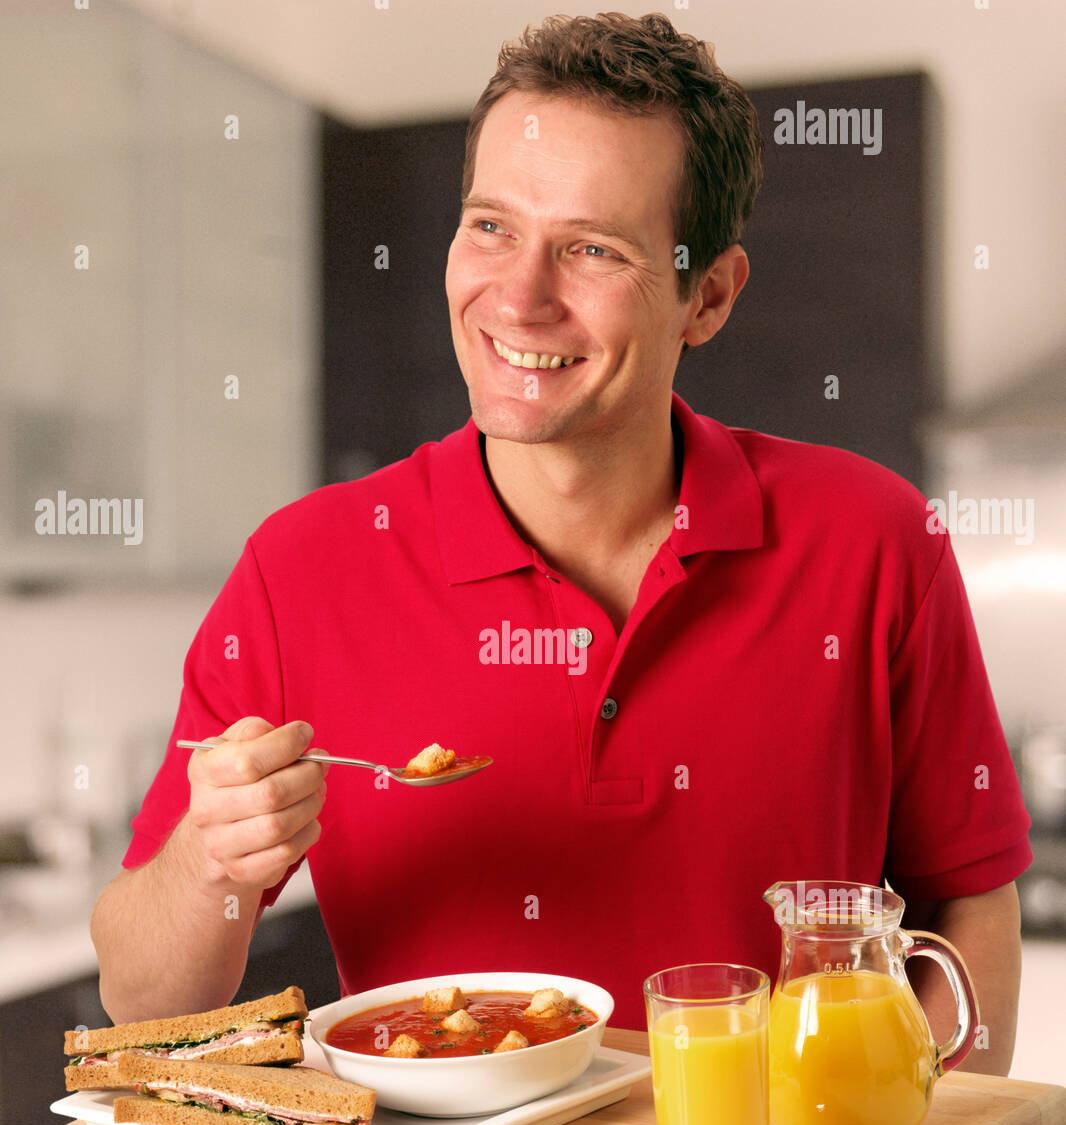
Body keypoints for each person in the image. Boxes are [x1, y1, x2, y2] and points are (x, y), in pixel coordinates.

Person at [90, 13, 1029, 1068]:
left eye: (591, 248)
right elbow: (140, 999)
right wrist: (212, 863)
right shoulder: (301, 568)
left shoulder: (874, 538)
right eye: (490, 227)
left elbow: (967, 899)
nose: (519, 297)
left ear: (706, 295)